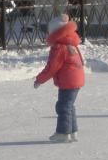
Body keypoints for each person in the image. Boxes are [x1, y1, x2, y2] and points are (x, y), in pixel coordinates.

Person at [33, 13, 85, 142]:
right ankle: (72, 132)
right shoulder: (71, 42)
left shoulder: (59, 47)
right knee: (69, 106)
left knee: (63, 106)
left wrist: (40, 79)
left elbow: (52, 67)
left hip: (68, 81)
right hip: (76, 79)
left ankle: (63, 133)